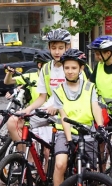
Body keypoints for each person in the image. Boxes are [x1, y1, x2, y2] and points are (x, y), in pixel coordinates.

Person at [48, 50, 106, 186]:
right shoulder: (59, 90)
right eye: (67, 68)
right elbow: (63, 116)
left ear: (81, 68)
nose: (70, 71)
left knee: (93, 173)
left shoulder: (89, 87)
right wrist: (69, 139)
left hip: (87, 131)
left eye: (74, 68)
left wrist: (100, 127)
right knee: (60, 164)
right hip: (66, 132)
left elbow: (95, 107)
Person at [7, 29, 74, 167]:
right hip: (49, 110)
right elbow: (42, 97)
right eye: (53, 48)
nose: (57, 52)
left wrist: (57, 106)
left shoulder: (73, 66)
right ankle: (28, 162)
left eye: (60, 48)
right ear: (49, 48)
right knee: (13, 121)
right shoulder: (46, 68)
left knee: (51, 155)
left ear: (67, 47)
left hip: (69, 112)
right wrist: (28, 109)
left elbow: (76, 94)